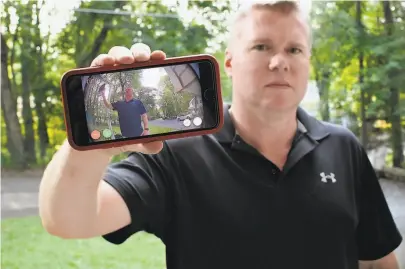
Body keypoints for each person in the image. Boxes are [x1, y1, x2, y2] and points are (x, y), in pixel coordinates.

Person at [39, 1, 402, 269]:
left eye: (294, 49)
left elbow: (376, 259)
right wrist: (90, 148)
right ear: (229, 61)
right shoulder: (175, 155)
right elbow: (68, 218)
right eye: (262, 46)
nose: (280, 61)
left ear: (308, 61)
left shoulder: (343, 146)